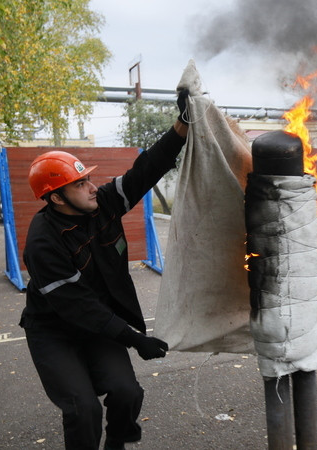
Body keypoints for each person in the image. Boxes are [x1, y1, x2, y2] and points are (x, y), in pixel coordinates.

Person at [20, 90, 189, 449]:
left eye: (87, 179)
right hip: (55, 331)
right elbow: (79, 306)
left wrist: (182, 126)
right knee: (83, 409)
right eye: (79, 185)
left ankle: (117, 444)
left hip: (98, 327)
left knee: (127, 392)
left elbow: (145, 170)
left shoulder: (101, 204)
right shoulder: (43, 243)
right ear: (55, 198)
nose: (91, 187)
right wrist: (135, 339)